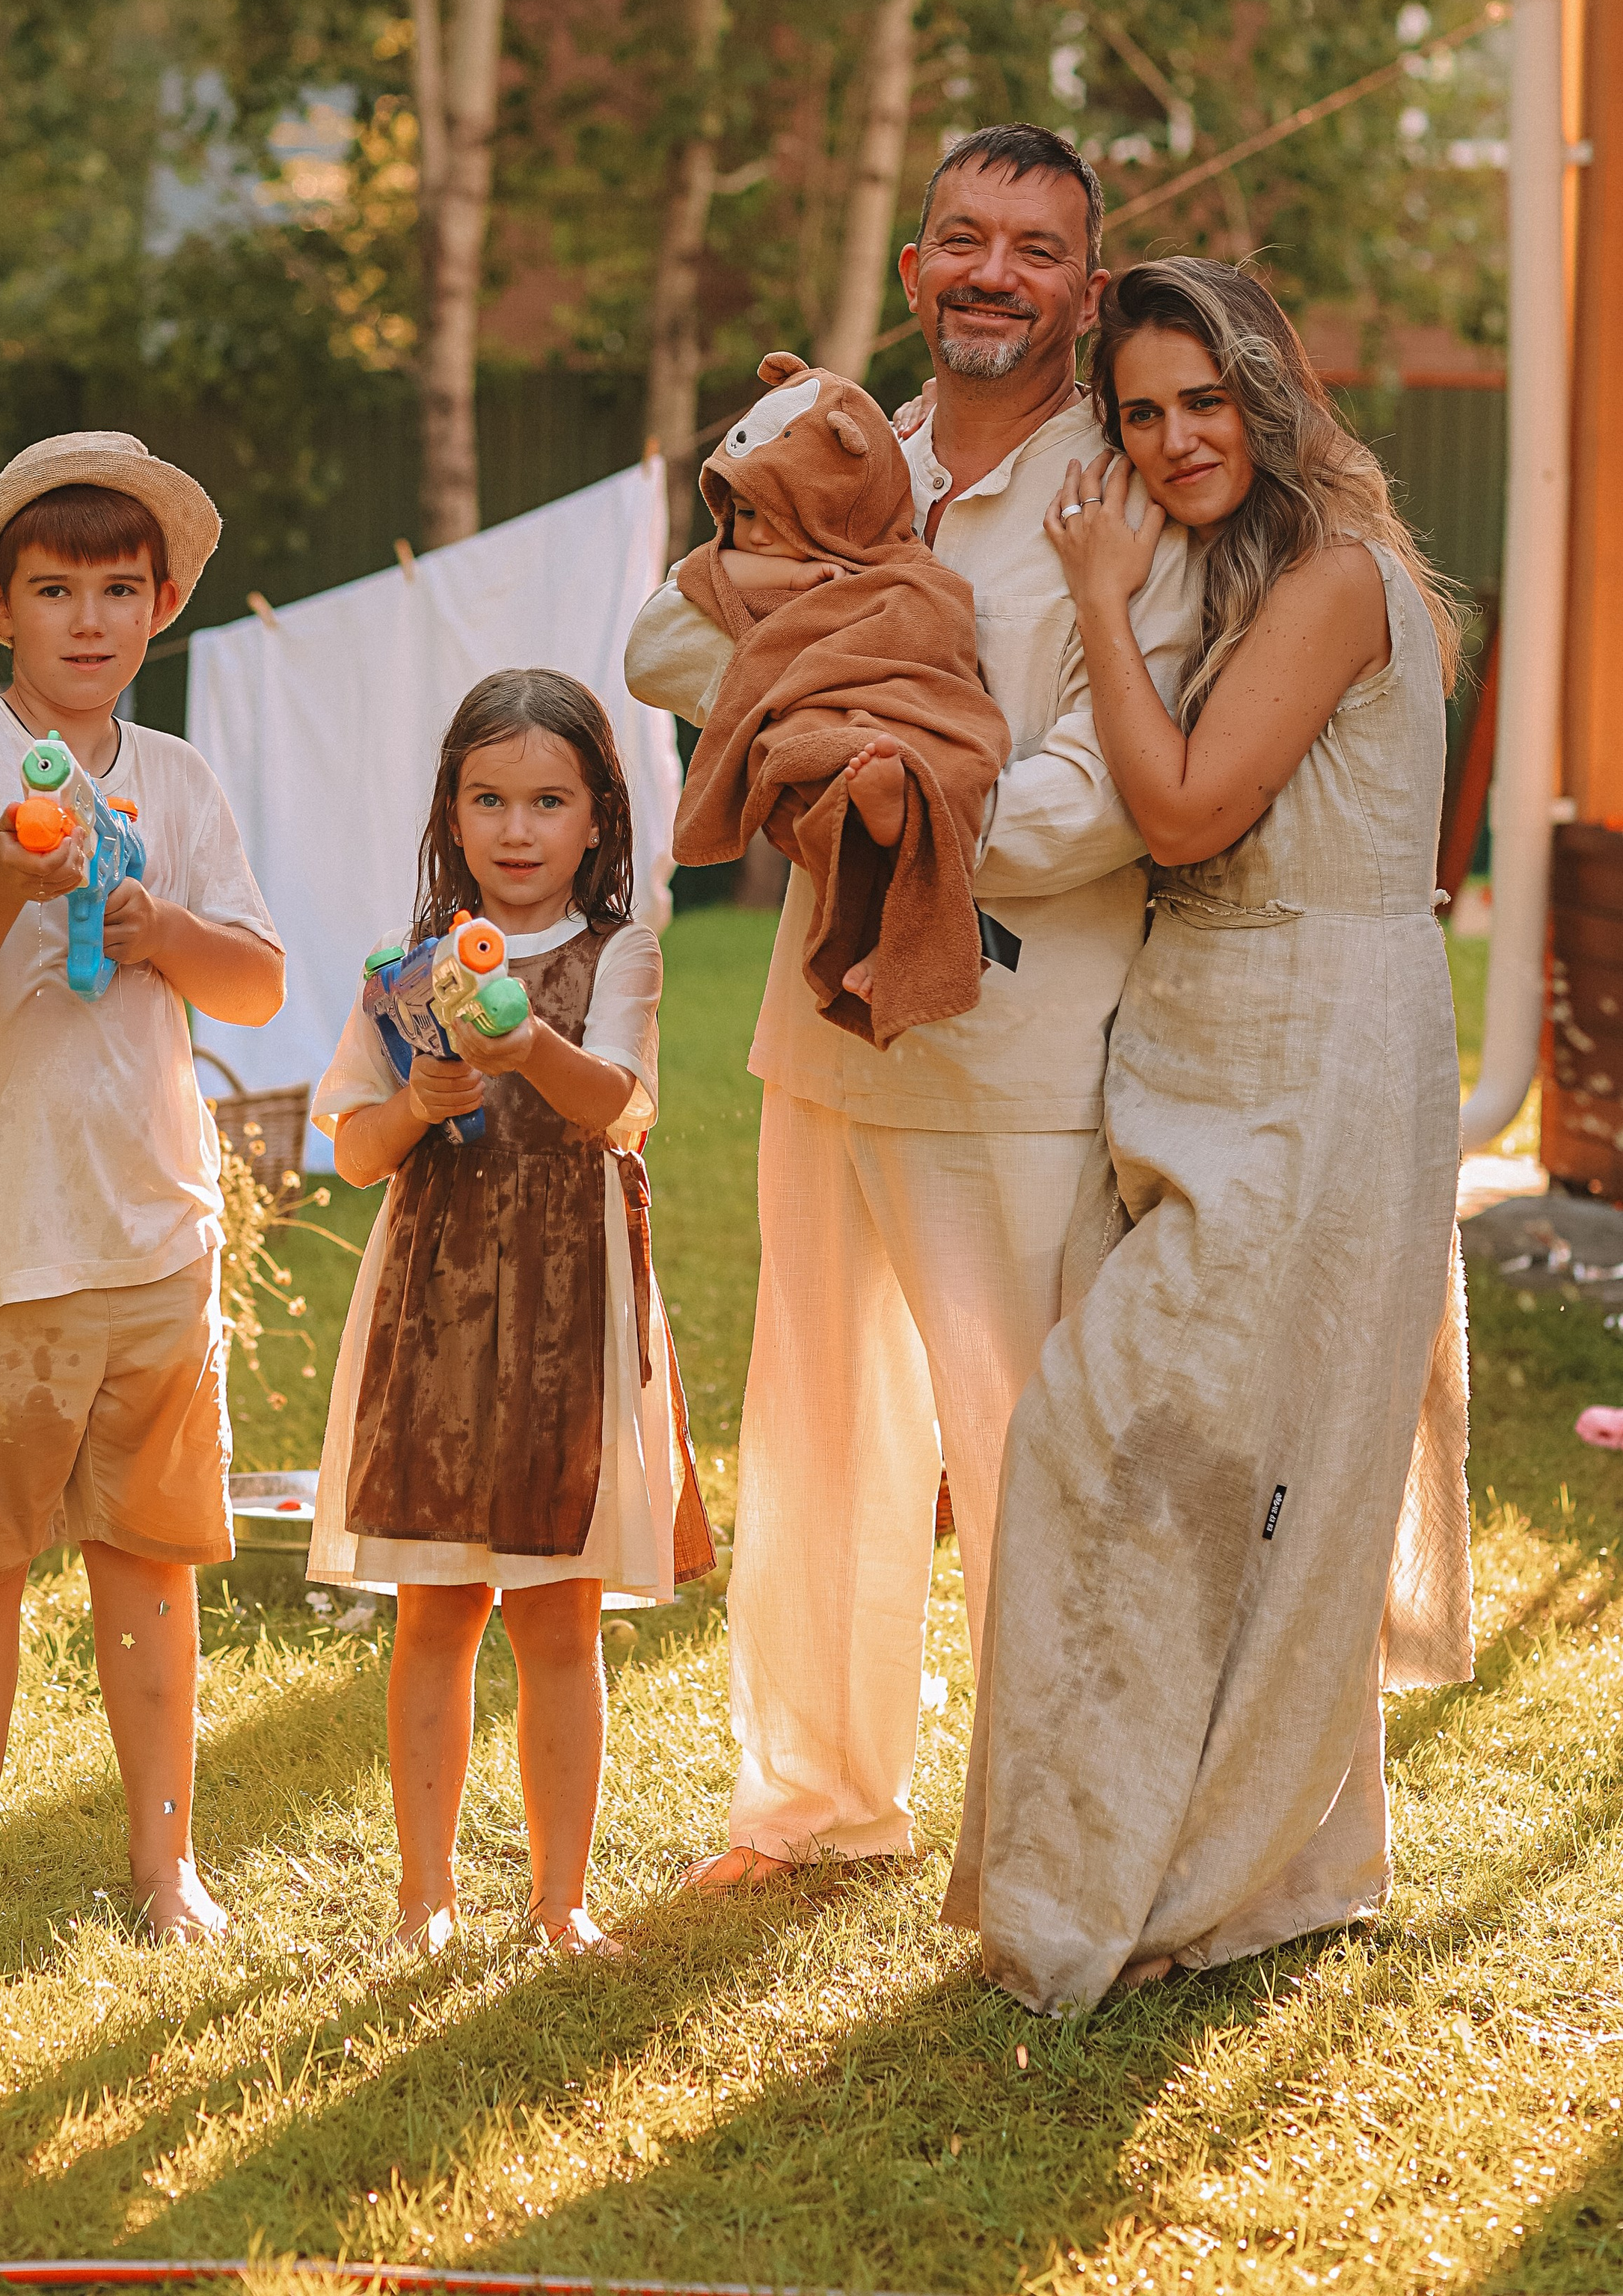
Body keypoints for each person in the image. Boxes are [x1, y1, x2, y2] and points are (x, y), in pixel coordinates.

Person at [625, 123, 1201, 1885]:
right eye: (962, 237)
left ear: (1083, 289)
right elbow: (662, 636)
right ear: (911, 267)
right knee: (813, 1443)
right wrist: (841, 732)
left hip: (1020, 1048)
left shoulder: (1123, 494)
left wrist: (896, 795)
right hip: (820, 1030)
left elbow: (1101, 788)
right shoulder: (833, 443)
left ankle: (1058, 1835)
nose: (990, 273)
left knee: (1025, 1455)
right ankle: (814, 1807)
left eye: (1033, 248)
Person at [942, 258, 1472, 2010]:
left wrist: (1092, 590)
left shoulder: (1329, 575)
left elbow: (1169, 799)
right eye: (1143, 410)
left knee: (1142, 1444)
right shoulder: (1259, 569)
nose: (1172, 440)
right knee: (1222, 1465)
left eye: (1202, 399)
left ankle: (1185, 1869)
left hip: (1311, 1057)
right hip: (1207, 1043)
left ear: (1271, 388)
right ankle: (1243, 1853)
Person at [0, 432, 286, 1943]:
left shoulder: (177, 778)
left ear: (162, 604)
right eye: (56, 590)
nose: (90, 620)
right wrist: (9, 870)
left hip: (148, 1234)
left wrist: (156, 920)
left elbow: (253, 985)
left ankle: (166, 1866)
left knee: (148, 1559)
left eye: (119, 588)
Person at [308, 669, 708, 1955]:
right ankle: (426, 1900)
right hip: (433, 1313)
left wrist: (530, 1046)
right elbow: (357, 1154)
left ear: (598, 818)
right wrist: (419, 1101)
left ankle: (559, 1902)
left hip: (564, 1322)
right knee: (433, 1612)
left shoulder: (621, 952)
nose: (519, 828)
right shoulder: (406, 974)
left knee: (557, 1613)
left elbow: (626, 1108)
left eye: (550, 799)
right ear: (452, 812)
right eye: (491, 798)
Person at [671, 363, 1010, 1046]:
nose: (753, 535)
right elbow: (702, 573)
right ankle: (886, 846)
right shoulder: (784, 571)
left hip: (905, 702)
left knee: (949, 763)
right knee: (812, 757)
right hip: (829, 711)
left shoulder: (903, 571)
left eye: (778, 516)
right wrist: (797, 572)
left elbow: (939, 642)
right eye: (741, 515)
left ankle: (903, 910)